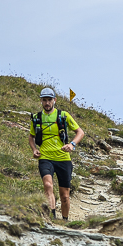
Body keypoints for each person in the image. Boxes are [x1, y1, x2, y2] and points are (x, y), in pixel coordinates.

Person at [28, 87, 84, 221]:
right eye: (44, 100)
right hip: (45, 157)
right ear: (41, 101)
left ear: (54, 100)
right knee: (48, 185)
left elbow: (80, 132)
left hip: (63, 158)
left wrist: (72, 144)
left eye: (49, 100)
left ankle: (65, 220)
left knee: (65, 196)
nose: (47, 103)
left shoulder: (63, 115)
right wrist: (34, 149)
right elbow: (31, 136)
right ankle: (52, 218)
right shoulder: (36, 118)